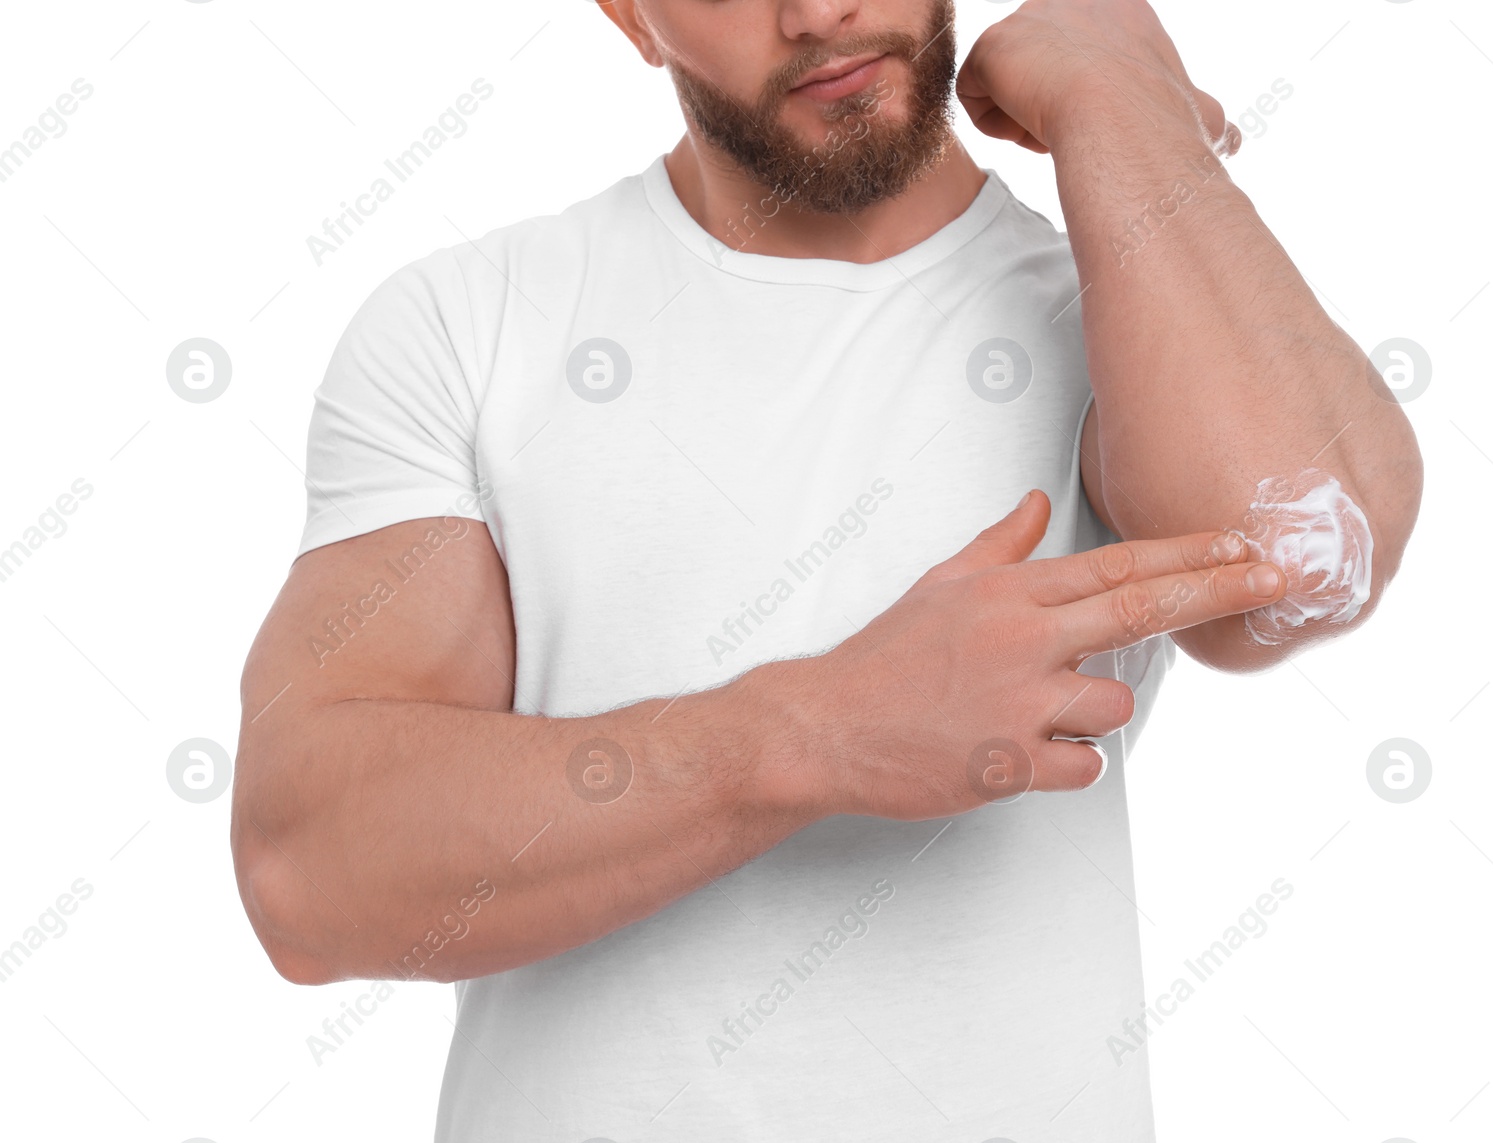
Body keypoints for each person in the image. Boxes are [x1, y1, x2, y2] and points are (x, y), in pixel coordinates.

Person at [233, 0, 1423, 1138]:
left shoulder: (1113, 319)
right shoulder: (472, 324)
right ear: (627, 15)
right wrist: (813, 732)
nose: (816, 12)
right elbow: (307, 874)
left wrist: (1115, 86)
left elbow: (1302, 562)